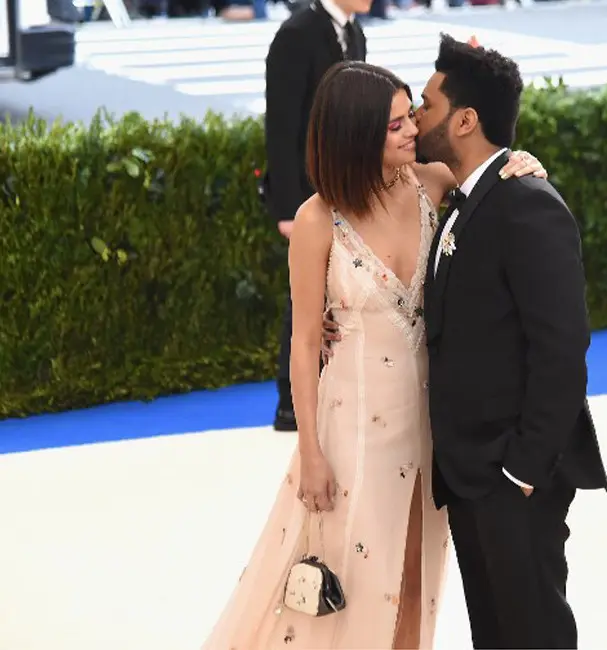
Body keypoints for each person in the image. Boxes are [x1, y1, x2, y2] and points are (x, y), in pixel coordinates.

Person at [200, 60, 548, 649]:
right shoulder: (316, 220)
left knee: (412, 577)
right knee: (342, 591)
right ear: (356, 133)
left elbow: (493, 175)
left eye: (410, 114)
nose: (413, 128)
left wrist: (526, 162)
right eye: (395, 124)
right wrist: (310, 452)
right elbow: (304, 343)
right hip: (352, 431)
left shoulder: (433, 182)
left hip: (430, 428)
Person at [415, 35, 607, 648]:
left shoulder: (527, 203)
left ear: (465, 120)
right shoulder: (463, 198)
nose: (416, 116)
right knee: (495, 633)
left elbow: (563, 348)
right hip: (469, 470)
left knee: (534, 631)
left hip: (513, 473)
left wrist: (523, 467)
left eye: (426, 104)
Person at [264, 0, 370, 432]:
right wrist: (288, 208)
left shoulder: (355, 33)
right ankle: (291, 403)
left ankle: (332, 390)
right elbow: (281, 126)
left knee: (340, 291)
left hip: (346, 191)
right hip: (307, 197)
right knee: (304, 298)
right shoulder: (297, 34)